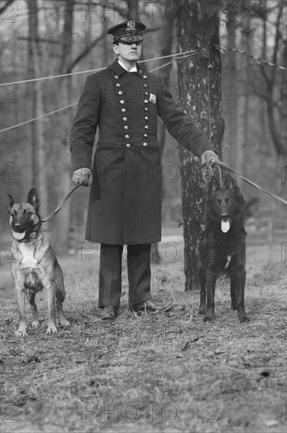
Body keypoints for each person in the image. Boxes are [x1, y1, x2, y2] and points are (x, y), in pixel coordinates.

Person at [69, 20, 219, 320]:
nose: (134, 46)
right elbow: (82, 129)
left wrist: (204, 147)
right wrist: (81, 164)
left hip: (145, 170)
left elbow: (177, 121)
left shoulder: (154, 83)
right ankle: (109, 303)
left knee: (140, 236)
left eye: (137, 41)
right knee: (110, 238)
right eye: (127, 42)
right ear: (116, 47)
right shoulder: (97, 82)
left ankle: (141, 299)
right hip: (110, 171)